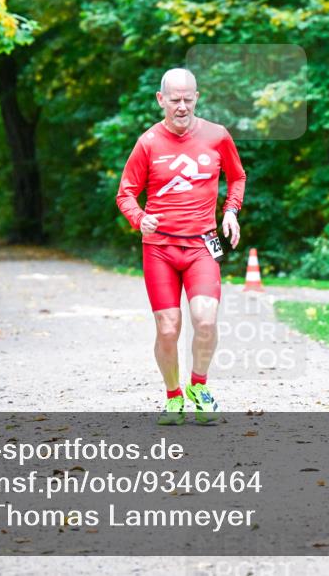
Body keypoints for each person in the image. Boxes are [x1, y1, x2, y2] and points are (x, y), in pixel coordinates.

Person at [116, 68, 245, 425]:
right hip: (158, 248)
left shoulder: (217, 137)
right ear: (161, 100)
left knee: (205, 321)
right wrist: (139, 218)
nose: (182, 106)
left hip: (203, 244)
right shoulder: (148, 143)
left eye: (189, 98)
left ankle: (199, 387)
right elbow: (125, 192)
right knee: (168, 328)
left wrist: (230, 212)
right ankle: (174, 397)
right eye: (175, 100)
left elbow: (237, 177)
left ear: (197, 97)